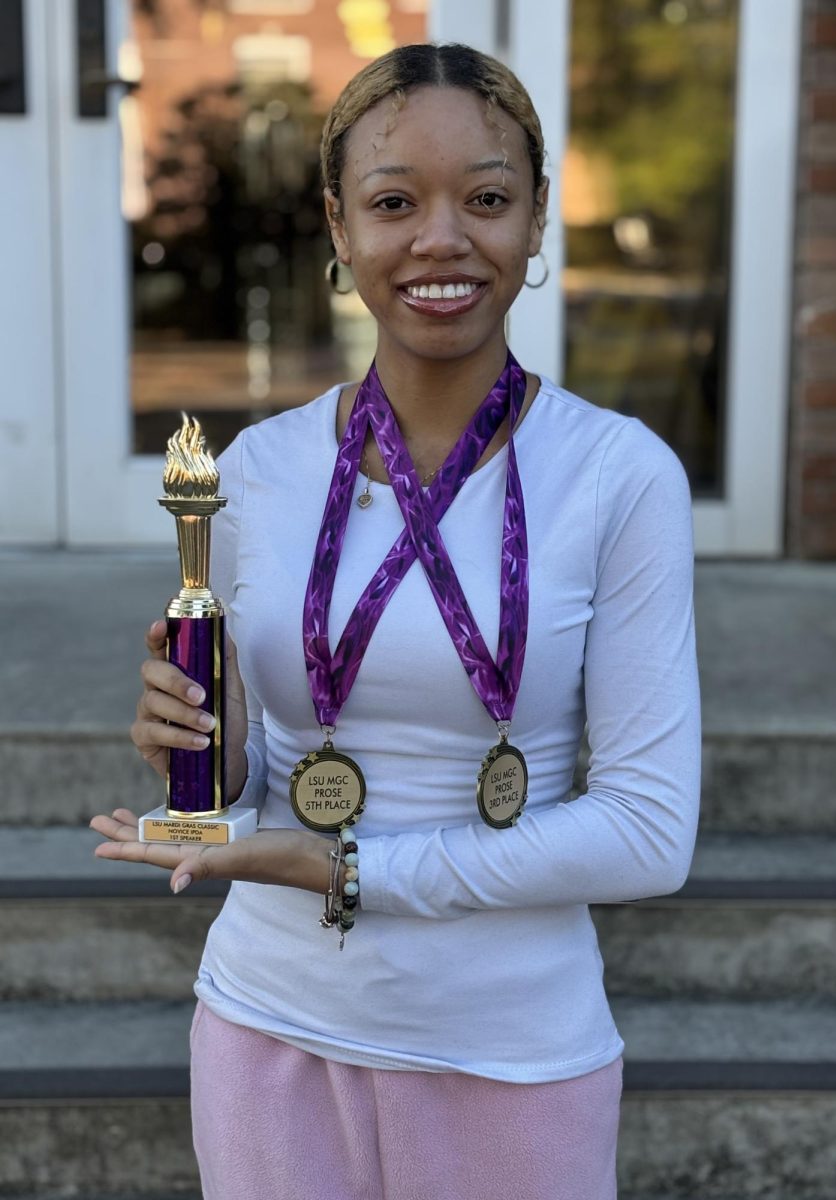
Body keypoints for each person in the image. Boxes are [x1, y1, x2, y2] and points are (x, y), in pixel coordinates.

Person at [91, 42, 700, 1200]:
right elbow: (252, 781)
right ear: (338, 225)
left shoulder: (621, 475)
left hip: (513, 1054)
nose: (440, 239)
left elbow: (648, 833)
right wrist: (193, 756)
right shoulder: (253, 473)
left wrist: (348, 868)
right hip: (269, 1032)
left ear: (535, 222)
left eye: (485, 198)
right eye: (391, 202)